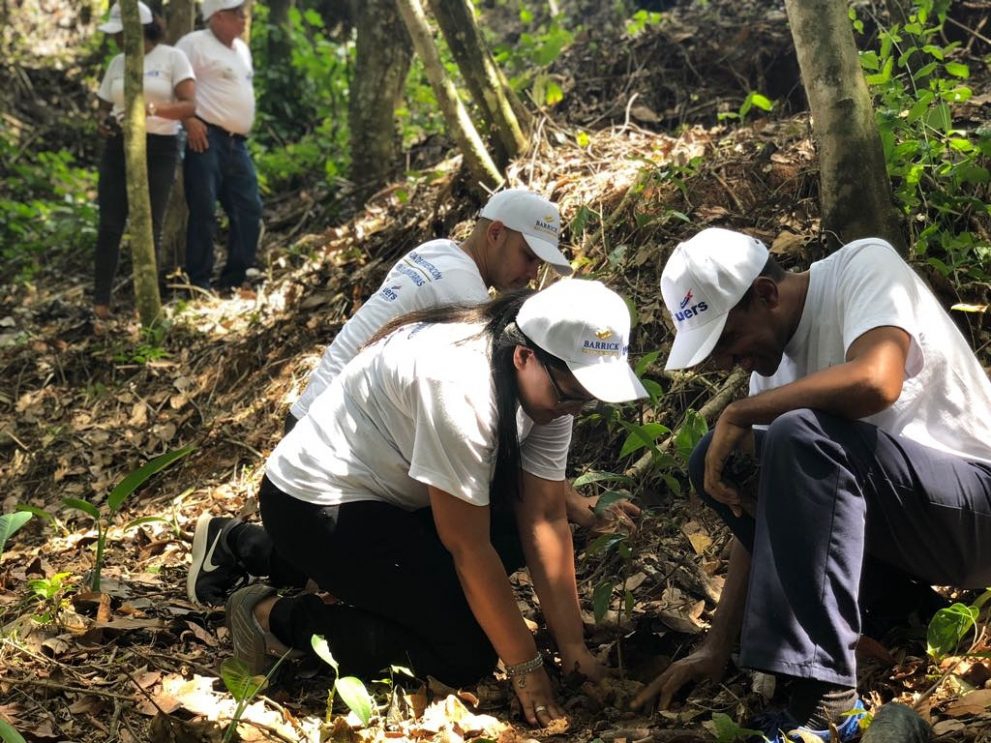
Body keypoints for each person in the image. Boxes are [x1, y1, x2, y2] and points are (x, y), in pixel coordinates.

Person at [217, 279, 647, 726]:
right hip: (314, 504)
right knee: (465, 653)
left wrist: (572, 647)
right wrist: (527, 668)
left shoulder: (551, 388)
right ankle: (273, 615)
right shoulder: (460, 385)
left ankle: (331, 575)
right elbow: (468, 547)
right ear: (525, 356)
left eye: (587, 399)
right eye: (570, 396)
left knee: (510, 539)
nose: (574, 409)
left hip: (399, 500)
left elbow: (542, 515)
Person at [187, 190, 638, 606]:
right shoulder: (469, 306)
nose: (530, 275)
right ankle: (248, 555)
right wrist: (579, 506)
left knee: (357, 548)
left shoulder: (438, 253)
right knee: (420, 537)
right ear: (495, 232)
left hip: (319, 413)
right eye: (527, 256)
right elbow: (507, 458)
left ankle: (236, 543)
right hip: (339, 430)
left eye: (540, 265)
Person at [632, 228, 991, 742]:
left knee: (794, 433)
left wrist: (743, 410)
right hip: (913, 541)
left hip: (976, 507)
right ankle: (902, 615)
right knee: (718, 459)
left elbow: (877, 379)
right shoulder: (771, 372)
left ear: (766, 294)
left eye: (729, 340)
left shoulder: (862, 266)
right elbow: (772, 517)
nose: (729, 362)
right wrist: (716, 645)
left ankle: (827, 696)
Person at [93, 1, 196, 319]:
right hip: (119, 148)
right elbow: (103, 106)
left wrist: (149, 110)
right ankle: (100, 304)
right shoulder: (116, 63)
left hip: (159, 146)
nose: (117, 40)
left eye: (121, 33)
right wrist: (104, 121)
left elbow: (189, 105)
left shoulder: (172, 58)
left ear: (138, 30)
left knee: (151, 225)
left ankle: (145, 304)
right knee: (110, 225)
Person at [176, 0, 261, 293]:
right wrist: (189, 120)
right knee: (203, 210)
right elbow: (172, 84)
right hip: (206, 138)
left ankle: (235, 278)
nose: (244, 19)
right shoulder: (193, 44)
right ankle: (198, 282)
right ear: (218, 17)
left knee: (248, 207)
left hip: (237, 143)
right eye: (238, 13)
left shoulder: (242, 50)